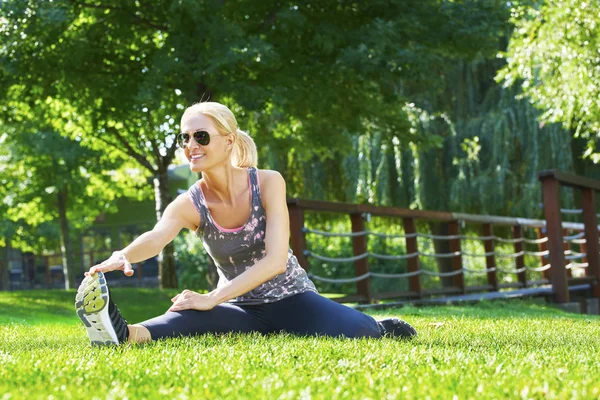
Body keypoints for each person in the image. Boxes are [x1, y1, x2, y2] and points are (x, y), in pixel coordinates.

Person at [75, 102, 417, 346]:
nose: (191, 145)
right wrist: (125, 255)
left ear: (228, 140)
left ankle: (379, 326)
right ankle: (122, 333)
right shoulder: (190, 203)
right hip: (239, 307)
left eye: (201, 137)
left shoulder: (268, 182)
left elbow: (275, 261)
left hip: (292, 298)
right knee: (180, 321)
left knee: (361, 332)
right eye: (185, 138)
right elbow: (157, 236)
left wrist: (211, 297)